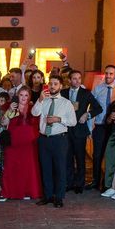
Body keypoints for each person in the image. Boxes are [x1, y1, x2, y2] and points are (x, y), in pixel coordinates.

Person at [32, 74, 77, 208]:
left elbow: (73, 122)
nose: (52, 86)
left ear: (61, 86)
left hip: (59, 139)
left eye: (55, 84)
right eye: (51, 83)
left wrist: (59, 119)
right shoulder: (44, 100)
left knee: (60, 168)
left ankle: (59, 197)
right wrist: (39, 100)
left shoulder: (66, 103)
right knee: (45, 168)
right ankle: (47, 195)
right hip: (44, 139)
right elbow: (34, 113)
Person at [63, 70, 102, 194]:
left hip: (80, 130)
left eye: (79, 78)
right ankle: (69, 182)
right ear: (69, 80)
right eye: (74, 78)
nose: (77, 81)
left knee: (80, 158)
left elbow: (98, 108)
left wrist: (87, 114)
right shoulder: (63, 93)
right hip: (66, 130)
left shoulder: (86, 93)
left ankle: (79, 184)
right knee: (67, 157)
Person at [0, 86, 42, 201]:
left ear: (29, 97)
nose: (23, 97)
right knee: (10, 166)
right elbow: (3, 122)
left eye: (26, 95)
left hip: (29, 143)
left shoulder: (33, 109)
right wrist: (9, 110)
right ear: (17, 96)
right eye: (21, 95)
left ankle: (27, 191)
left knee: (28, 168)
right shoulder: (11, 108)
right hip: (13, 141)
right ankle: (7, 192)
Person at [86, 65, 115, 190]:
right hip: (99, 126)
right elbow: (91, 107)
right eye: (107, 73)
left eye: (111, 73)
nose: (108, 76)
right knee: (97, 155)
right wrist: (90, 125)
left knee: (110, 156)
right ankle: (95, 181)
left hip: (113, 127)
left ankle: (107, 183)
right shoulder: (97, 89)